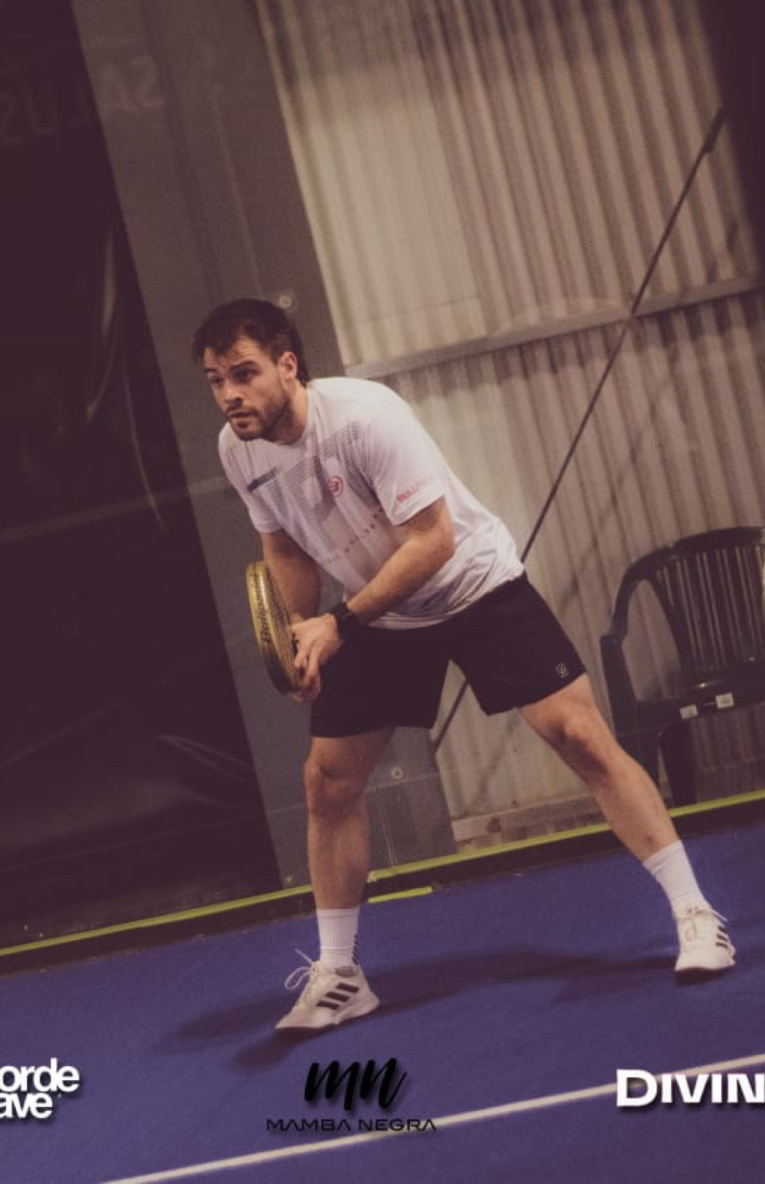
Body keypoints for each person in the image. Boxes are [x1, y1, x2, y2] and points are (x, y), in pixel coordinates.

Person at [193, 298, 735, 1033]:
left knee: (578, 737)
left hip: (473, 586)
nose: (230, 394)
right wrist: (298, 636)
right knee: (327, 782)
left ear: (288, 366)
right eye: (216, 380)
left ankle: (697, 915)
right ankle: (341, 976)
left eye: (244, 373)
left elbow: (433, 540)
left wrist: (338, 624)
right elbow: (285, 548)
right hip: (380, 612)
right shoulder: (239, 450)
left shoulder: (365, 417)